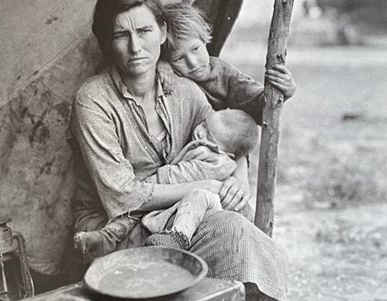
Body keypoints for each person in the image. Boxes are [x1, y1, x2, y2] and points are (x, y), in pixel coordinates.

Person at [69, 0, 289, 301]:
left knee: (239, 214)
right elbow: (121, 195)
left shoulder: (184, 89)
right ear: (106, 43)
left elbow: (225, 138)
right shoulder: (93, 101)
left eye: (144, 30)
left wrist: (238, 175)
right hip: (117, 228)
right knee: (230, 227)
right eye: (121, 36)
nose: (135, 46)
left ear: (162, 32)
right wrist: (207, 188)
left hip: (176, 218)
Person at [74, 108, 259, 258]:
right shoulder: (212, 144)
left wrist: (158, 179)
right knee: (132, 214)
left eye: (208, 136)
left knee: (195, 197)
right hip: (178, 199)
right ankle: (106, 238)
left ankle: (177, 237)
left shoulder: (218, 162)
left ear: (227, 153)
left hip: (195, 204)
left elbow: (184, 174)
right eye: (204, 124)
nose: (199, 132)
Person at [163, 2, 296, 123]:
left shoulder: (225, 74)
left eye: (195, 49)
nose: (192, 63)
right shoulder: (167, 74)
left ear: (204, 39)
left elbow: (258, 105)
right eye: (179, 58)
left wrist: (284, 91)